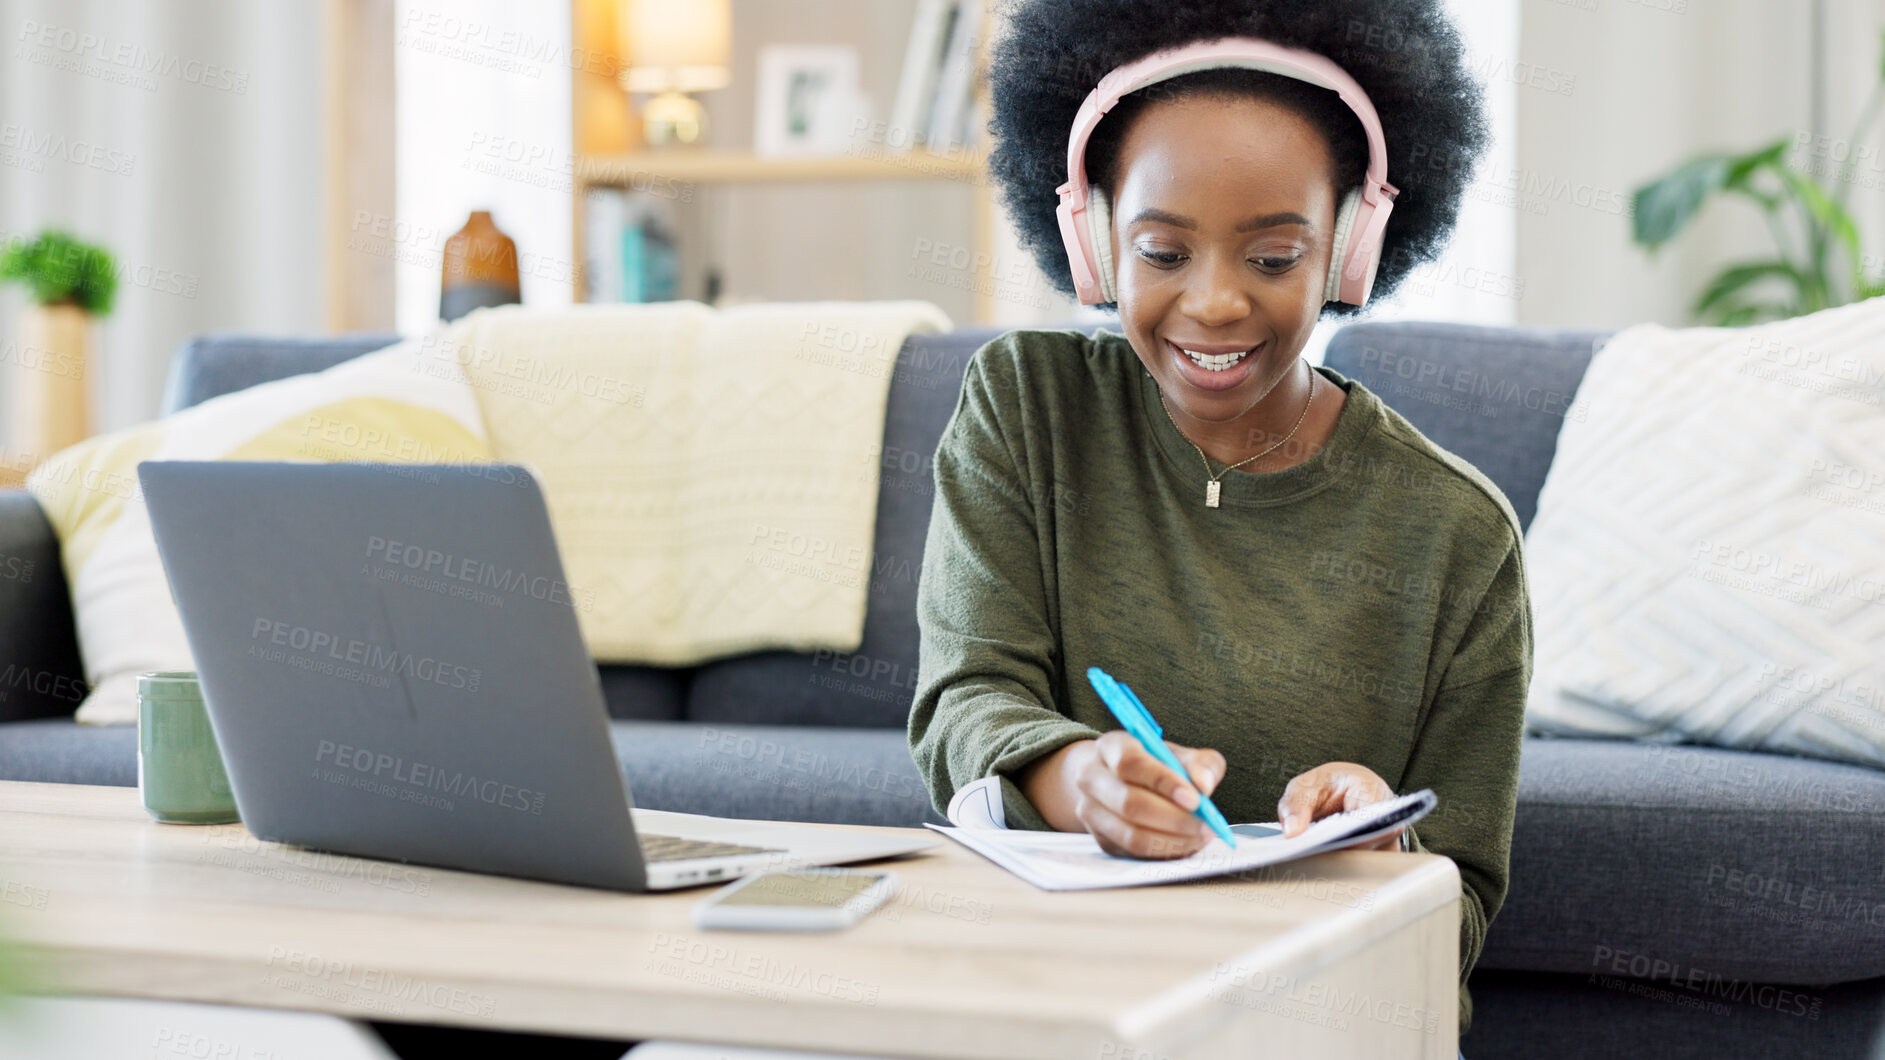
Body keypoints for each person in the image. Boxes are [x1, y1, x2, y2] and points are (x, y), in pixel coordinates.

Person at [907, 0, 1528, 1041]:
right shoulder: (1025, 410)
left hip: (1305, 1021)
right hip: (1057, 998)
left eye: (1273, 258)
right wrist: (1073, 777)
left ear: (1352, 244)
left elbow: (1457, 908)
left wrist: (1382, 853)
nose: (1215, 304)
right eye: (1161, 252)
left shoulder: (1455, 533)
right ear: (1092, 237)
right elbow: (966, 697)